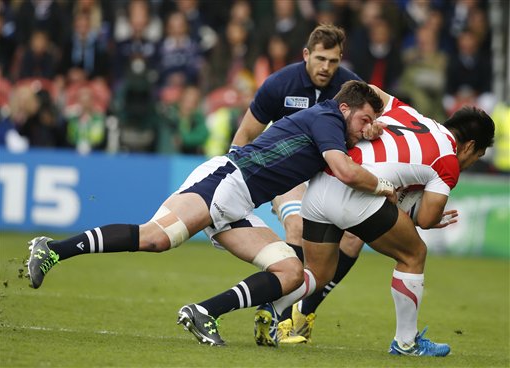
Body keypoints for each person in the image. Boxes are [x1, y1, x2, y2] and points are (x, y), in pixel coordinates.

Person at [25, 80, 396, 347]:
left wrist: (372, 130)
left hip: (240, 202)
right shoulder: (327, 118)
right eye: (363, 120)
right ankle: (53, 249)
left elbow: (350, 153)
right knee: (155, 238)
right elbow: (346, 171)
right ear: (345, 108)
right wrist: (383, 187)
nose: (365, 129)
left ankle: (204, 312)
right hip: (225, 180)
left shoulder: (336, 123)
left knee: (290, 272)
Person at [255, 85, 495, 356]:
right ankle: (407, 342)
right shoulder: (448, 160)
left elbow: (365, 89)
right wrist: (428, 216)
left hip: (321, 186)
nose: (472, 162)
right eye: (477, 156)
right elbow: (426, 219)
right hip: (355, 192)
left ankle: (271, 309)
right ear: (471, 146)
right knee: (414, 254)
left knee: (318, 274)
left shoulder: (407, 112)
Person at [230, 23, 363, 336]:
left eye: (333, 61)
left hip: (331, 175)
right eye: (320, 59)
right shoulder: (280, 83)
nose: (326, 67)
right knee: (297, 225)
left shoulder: (352, 89)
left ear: (341, 59)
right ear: (306, 54)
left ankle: (307, 310)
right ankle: (276, 312)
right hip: (287, 173)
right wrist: (230, 177)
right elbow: (246, 133)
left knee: (354, 239)